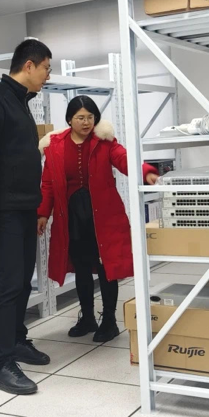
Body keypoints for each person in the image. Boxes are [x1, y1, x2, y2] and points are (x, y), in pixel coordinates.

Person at [0, 38, 53, 395]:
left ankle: (16, 340)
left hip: (24, 206)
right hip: (3, 209)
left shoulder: (21, 102)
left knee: (22, 281)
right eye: (46, 68)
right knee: (8, 283)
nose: (48, 75)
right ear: (29, 65)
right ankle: (1, 364)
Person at [37, 96, 159, 342]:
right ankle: (88, 318)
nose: (86, 122)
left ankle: (110, 321)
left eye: (90, 117)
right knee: (81, 267)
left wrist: (146, 172)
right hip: (72, 218)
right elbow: (48, 183)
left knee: (106, 268)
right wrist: (42, 213)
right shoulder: (55, 146)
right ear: (69, 120)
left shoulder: (105, 142)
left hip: (103, 217)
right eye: (80, 118)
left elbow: (124, 159)